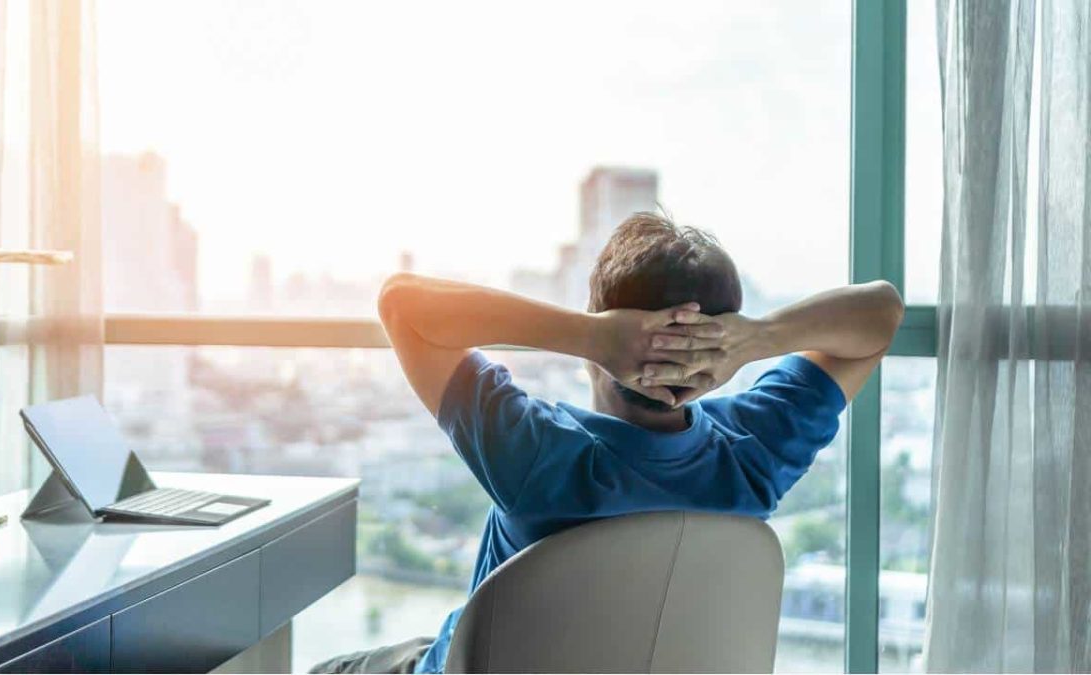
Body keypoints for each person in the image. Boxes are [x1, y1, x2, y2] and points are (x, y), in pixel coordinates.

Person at [310, 212, 904, 674]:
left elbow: (401, 303)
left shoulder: (537, 455)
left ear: (603, 323)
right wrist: (755, 340)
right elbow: (882, 311)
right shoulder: (753, 452)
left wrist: (590, 336)